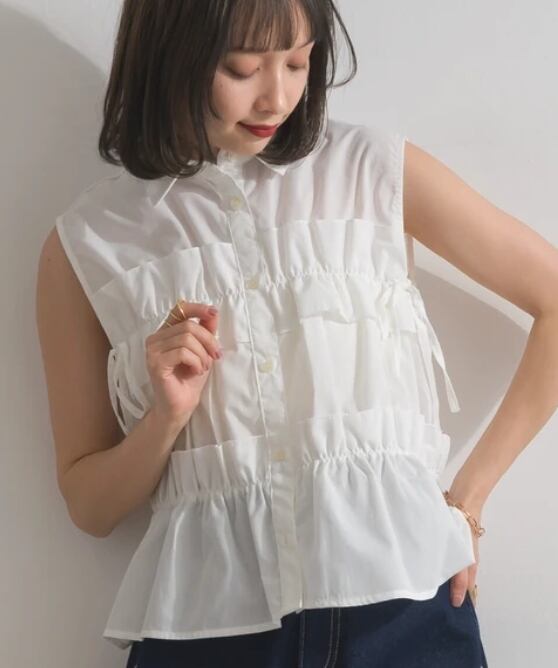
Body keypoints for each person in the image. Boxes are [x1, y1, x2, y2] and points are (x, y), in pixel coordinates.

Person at [36, 1, 558, 667]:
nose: (278, 97)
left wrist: (469, 501)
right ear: (170, 55)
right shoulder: (89, 243)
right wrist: (163, 419)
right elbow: (89, 506)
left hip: (406, 615)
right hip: (209, 635)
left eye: (298, 62)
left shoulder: (370, 170)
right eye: (242, 68)